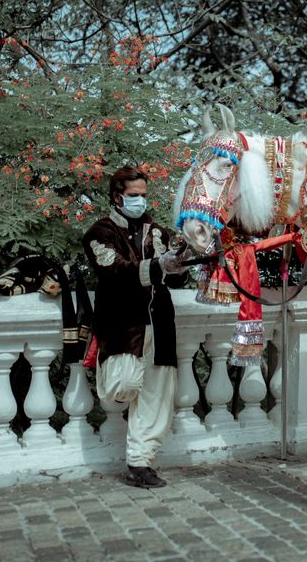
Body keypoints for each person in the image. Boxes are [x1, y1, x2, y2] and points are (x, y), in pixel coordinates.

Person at [82, 165, 189, 488]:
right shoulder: (98, 233)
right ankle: (134, 418)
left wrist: (181, 261)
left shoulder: (158, 233)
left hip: (159, 321)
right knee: (123, 385)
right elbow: (115, 272)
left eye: (143, 195)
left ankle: (140, 463)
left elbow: (174, 275)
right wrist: (158, 265)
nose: (140, 201)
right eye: (133, 196)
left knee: (156, 394)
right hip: (122, 323)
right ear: (117, 196)